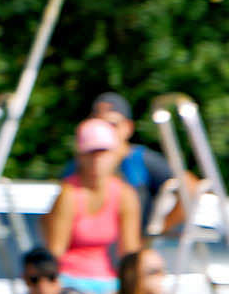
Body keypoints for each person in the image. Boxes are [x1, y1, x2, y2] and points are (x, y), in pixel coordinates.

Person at [64, 92, 196, 235]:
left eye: (112, 124)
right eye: (98, 124)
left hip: (132, 244)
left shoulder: (142, 160)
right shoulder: (78, 164)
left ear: (128, 127)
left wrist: (161, 228)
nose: (104, 130)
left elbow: (191, 187)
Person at [45, 118, 140, 294]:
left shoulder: (125, 194)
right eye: (91, 153)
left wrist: (131, 290)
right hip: (69, 279)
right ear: (80, 157)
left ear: (114, 155)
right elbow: (55, 252)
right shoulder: (69, 194)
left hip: (108, 282)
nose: (97, 160)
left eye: (103, 152)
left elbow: (130, 253)